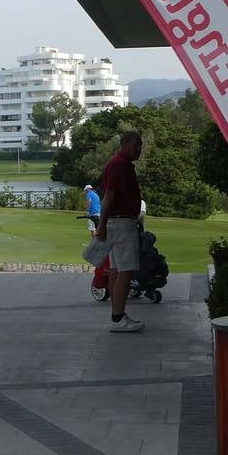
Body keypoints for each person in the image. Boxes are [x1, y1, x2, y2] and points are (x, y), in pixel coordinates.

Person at [95, 131, 145, 332]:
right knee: (125, 270)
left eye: (140, 145)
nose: (139, 150)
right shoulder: (120, 165)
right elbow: (109, 196)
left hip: (117, 222)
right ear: (124, 144)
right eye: (135, 145)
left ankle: (117, 314)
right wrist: (101, 225)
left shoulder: (118, 164)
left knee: (116, 269)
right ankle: (117, 318)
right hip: (122, 223)